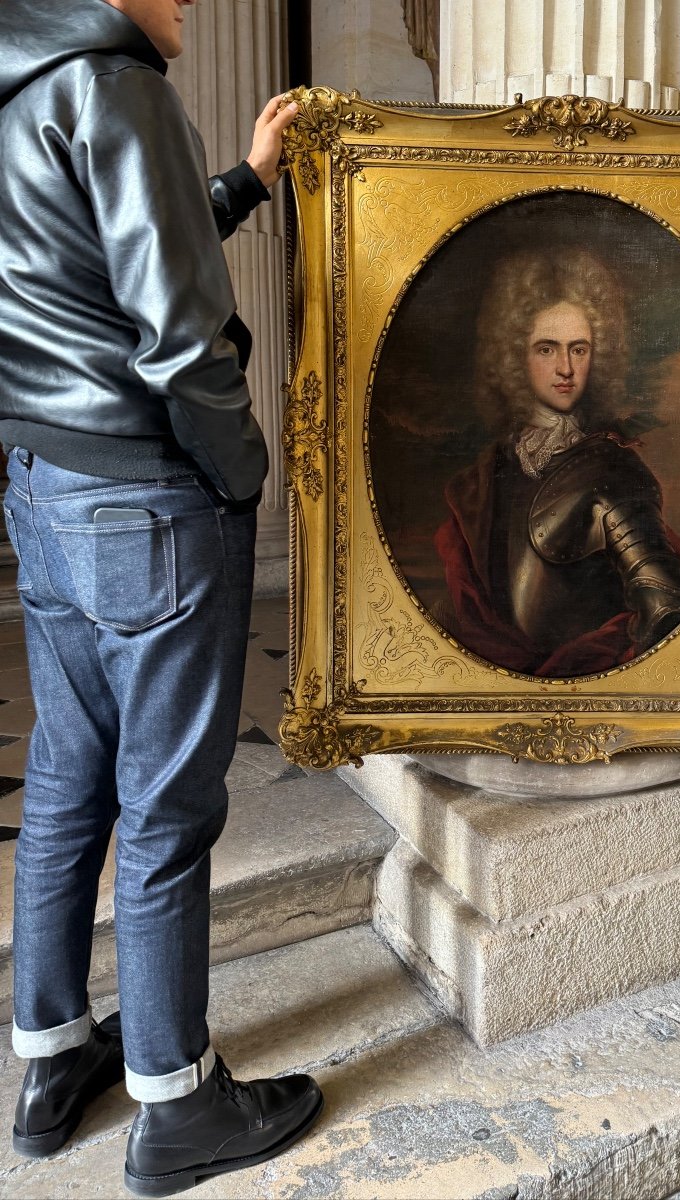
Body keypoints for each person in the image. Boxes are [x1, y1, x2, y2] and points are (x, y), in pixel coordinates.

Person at [0, 0, 324, 1194]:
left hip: (41, 482)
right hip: (146, 499)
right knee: (168, 810)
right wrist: (242, 480)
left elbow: (82, 263)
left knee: (68, 776)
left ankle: (48, 1058)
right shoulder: (117, 87)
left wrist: (241, 179)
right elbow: (181, 333)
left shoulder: (22, 82)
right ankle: (176, 1102)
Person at [434, 248, 680, 677]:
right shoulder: (488, 474)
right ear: (514, 355)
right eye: (547, 349)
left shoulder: (611, 471)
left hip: (587, 680)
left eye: (579, 350)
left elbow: (664, 608)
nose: (566, 368)